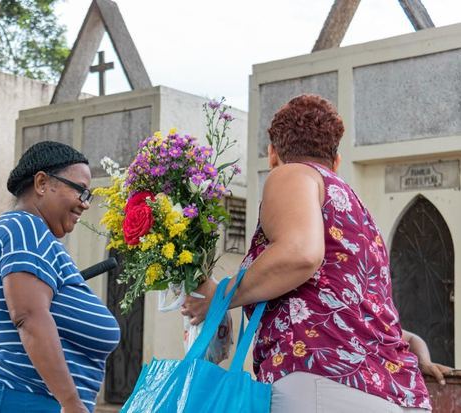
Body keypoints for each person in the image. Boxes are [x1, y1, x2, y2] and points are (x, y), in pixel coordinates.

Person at [183, 94, 432, 412]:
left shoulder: (293, 174)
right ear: (337, 161)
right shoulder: (356, 215)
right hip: (395, 391)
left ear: (272, 155)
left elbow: (299, 254)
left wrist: (220, 295)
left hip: (322, 383)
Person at [0, 141, 120, 413]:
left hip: (17, 395)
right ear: (42, 183)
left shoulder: (31, 233)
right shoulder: (25, 227)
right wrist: (71, 402)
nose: (85, 204)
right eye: (80, 191)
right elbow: (29, 317)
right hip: (18, 394)